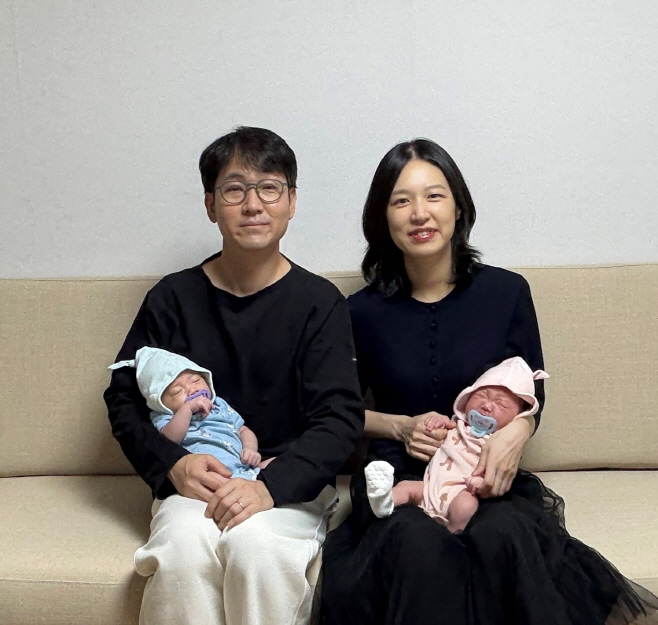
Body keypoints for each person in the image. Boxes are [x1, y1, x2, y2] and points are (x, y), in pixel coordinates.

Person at [320, 138, 658, 625]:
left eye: (434, 196)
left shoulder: (506, 292)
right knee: (415, 545)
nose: (420, 213)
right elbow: (337, 411)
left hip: (482, 473)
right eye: (401, 200)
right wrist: (399, 427)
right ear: (382, 218)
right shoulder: (359, 311)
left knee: (501, 535)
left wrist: (517, 432)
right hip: (401, 475)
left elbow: (532, 392)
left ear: (458, 207)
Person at [104, 126, 364, 625]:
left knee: (257, 549)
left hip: (286, 484)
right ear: (210, 204)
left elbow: (340, 418)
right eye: (234, 190)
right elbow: (122, 399)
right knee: (182, 550)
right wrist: (172, 466)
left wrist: (270, 485)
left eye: (269, 188)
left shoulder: (320, 303)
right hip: (194, 481)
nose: (253, 205)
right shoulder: (172, 298)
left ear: (291, 201)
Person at [365, 356, 549, 532]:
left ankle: (453, 535)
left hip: (460, 492)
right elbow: (438, 429)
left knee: (466, 506)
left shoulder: (498, 445)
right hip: (428, 488)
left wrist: (479, 482)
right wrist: (435, 422)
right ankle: (383, 501)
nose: (487, 405)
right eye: (481, 395)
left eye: (501, 405)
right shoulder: (456, 425)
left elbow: (495, 472)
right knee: (406, 487)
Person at [109, 346, 269, 481]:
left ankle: (252, 478)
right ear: (160, 403)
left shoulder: (218, 404)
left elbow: (243, 430)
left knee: (276, 465)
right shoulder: (165, 417)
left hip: (242, 464)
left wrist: (250, 449)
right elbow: (170, 439)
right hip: (208, 473)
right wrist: (187, 409)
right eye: (177, 391)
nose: (193, 390)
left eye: (196, 380)